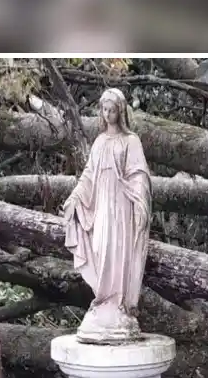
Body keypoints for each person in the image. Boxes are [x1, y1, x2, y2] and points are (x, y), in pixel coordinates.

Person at [61, 88, 152, 343]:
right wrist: (76, 197)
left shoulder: (130, 140)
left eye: (112, 109)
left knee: (118, 250)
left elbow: (139, 174)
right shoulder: (100, 141)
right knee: (100, 247)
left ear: (120, 111)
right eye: (104, 109)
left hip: (121, 206)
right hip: (102, 204)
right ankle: (103, 300)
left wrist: (140, 200)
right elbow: (88, 174)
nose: (108, 114)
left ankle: (119, 303)